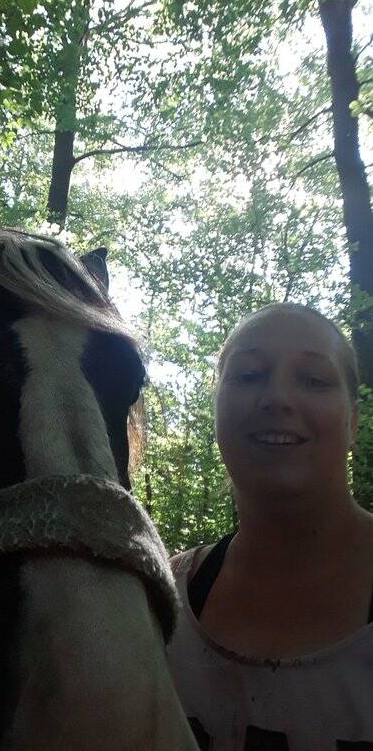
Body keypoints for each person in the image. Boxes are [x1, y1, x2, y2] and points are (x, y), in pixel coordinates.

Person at [168, 302, 373, 750]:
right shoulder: (163, 605)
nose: (277, 398)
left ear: (353, 420)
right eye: (248, 376)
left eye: (313, 380)